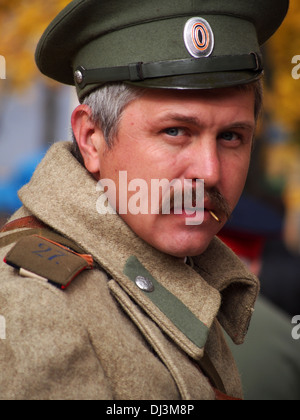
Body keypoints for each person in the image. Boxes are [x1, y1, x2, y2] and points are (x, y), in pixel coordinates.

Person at [0, 0, 289, 400]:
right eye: (175, 131)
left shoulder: (182, 271)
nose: (209, 171)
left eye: (231, 136)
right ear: (91, 139)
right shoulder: (36, 311)